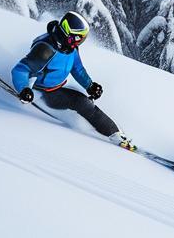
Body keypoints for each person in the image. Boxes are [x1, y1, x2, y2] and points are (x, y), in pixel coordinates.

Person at [11, 11, 134, 150]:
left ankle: (114, 132)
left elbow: (77, 69)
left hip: (58, 86)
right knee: (81, 102)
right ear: (68, 34)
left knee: (85, 100)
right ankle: (115, 135)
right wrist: (24, 89)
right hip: (45, 92)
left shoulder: (70, 48)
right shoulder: (46, 49)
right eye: (78, 38)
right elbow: (20, 70)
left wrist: (89, 85)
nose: (79, 42)